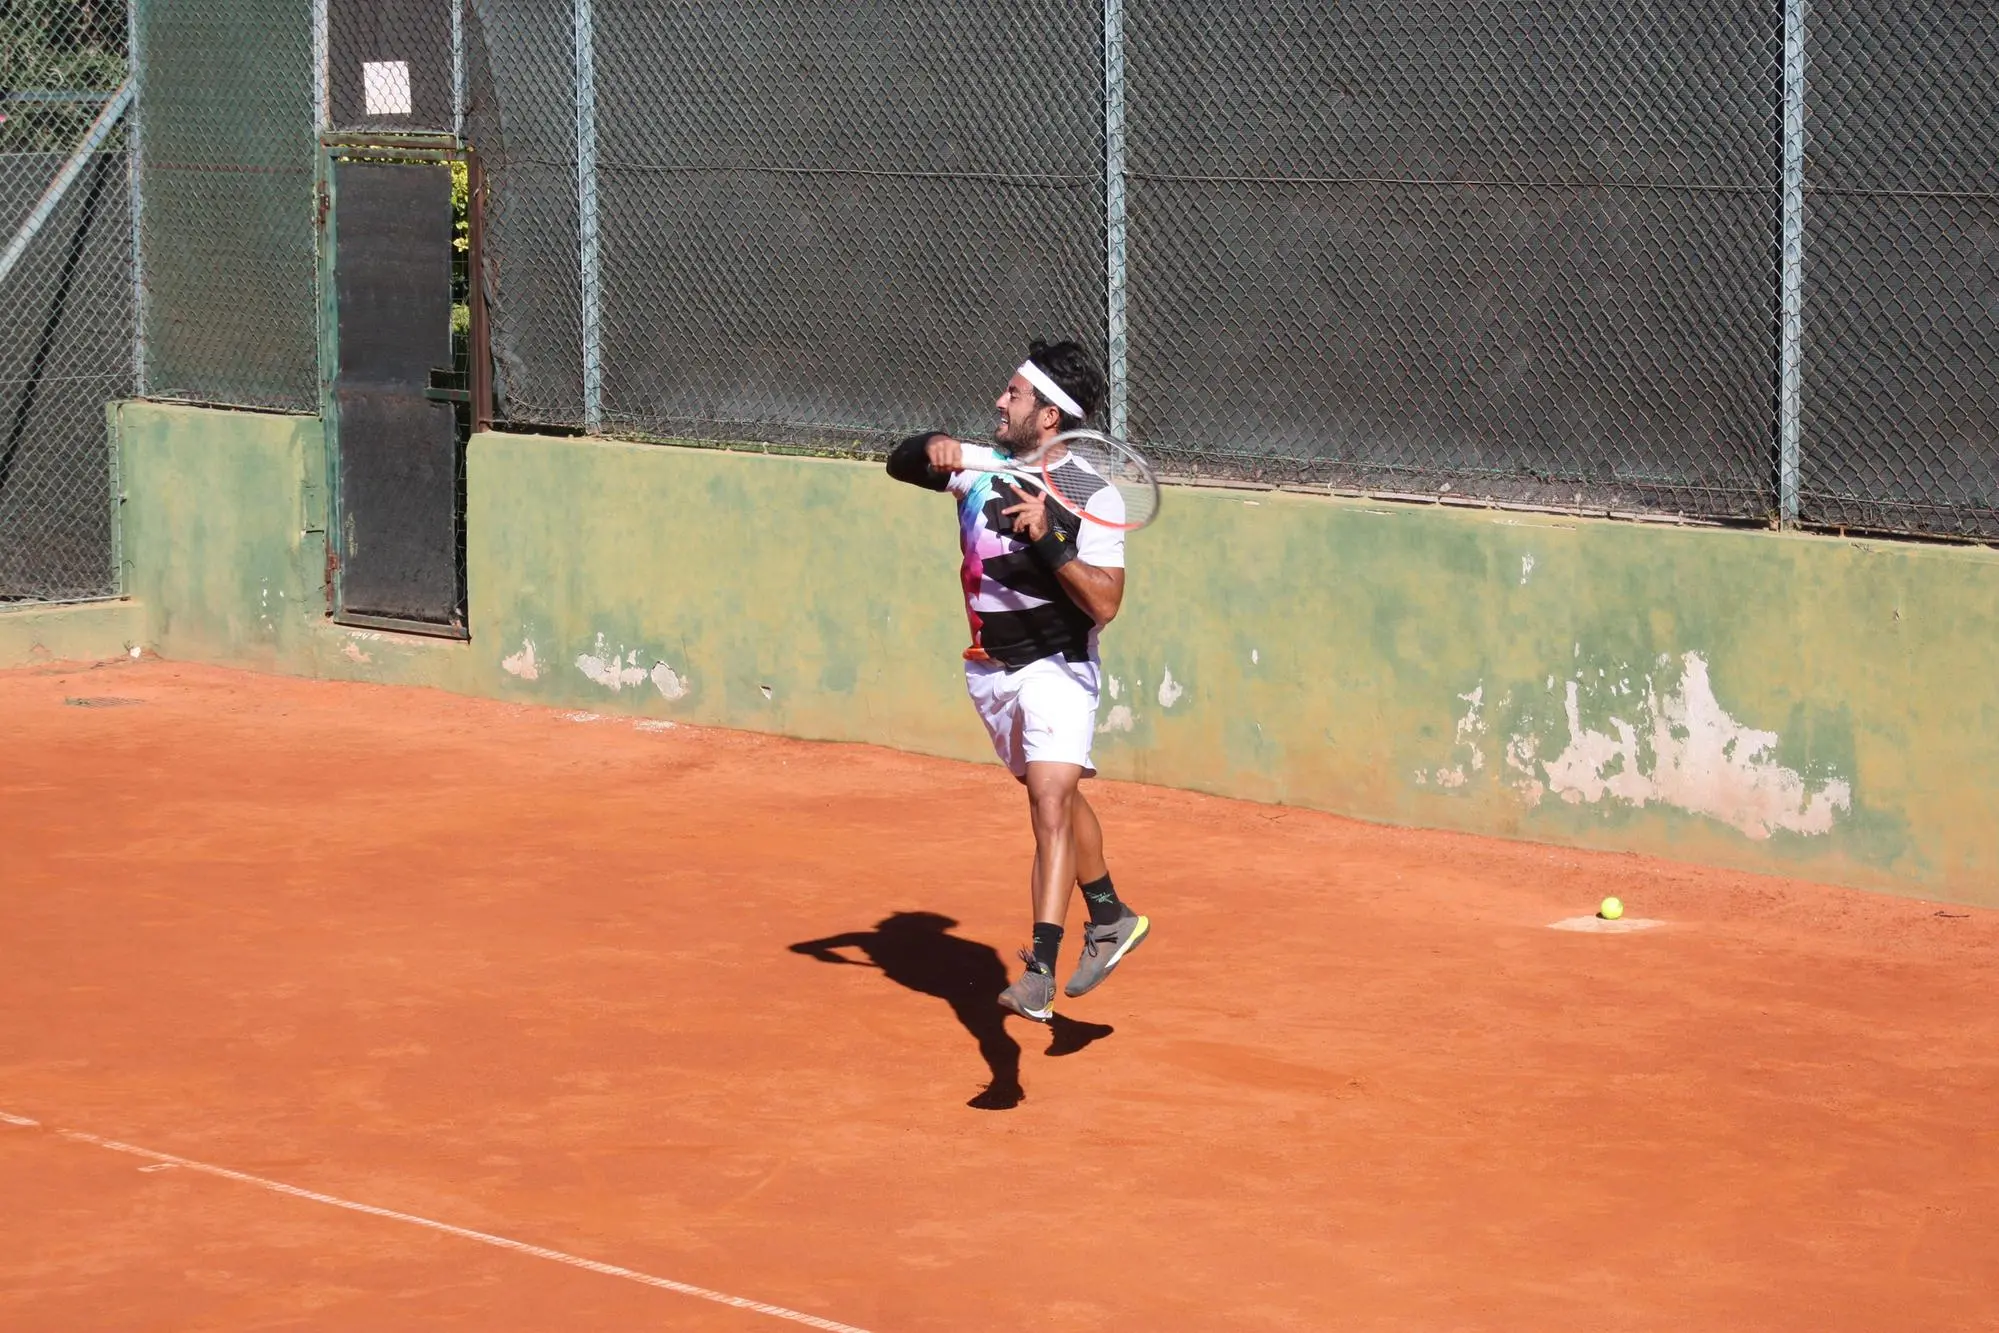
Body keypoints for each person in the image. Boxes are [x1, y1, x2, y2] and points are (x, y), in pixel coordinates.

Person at [885, 339, 1150, 1023]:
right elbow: (898, 462)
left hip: (1058, 666)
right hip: (991, 674)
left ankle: (1039, 965)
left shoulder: (1095, 496)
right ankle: (1110, 914)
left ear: (1050, 416)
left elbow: (1105, 603)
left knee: (1051, 798)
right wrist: (932, 444)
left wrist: (1050, 540)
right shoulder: (981, 467)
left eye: (1013, 394)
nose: (998, 403)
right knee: (1047, 792)